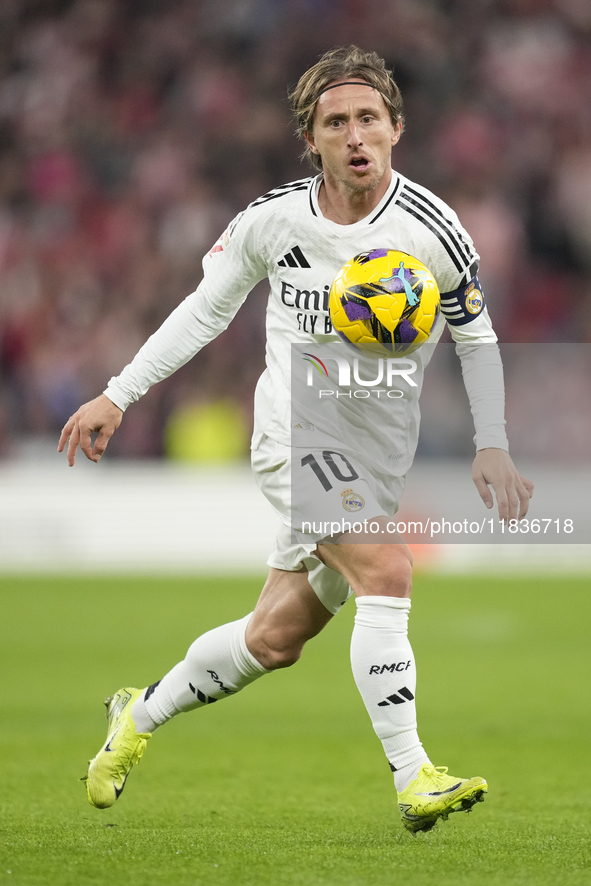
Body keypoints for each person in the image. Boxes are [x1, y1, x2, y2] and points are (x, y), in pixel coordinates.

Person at [58, 45, 533, 835]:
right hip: (293, 434)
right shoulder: (272, 221)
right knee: (386, 568)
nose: (354, 136)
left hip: (376, 453)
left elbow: (475, 338)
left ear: (396, 129)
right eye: (335, 122)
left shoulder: (432, 229)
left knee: (276, 637)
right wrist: (119, 392)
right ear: (308, 139)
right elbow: (205, 310)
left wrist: (492, 441)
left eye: (368, 120)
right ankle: (414, 777)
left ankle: (138, 713)